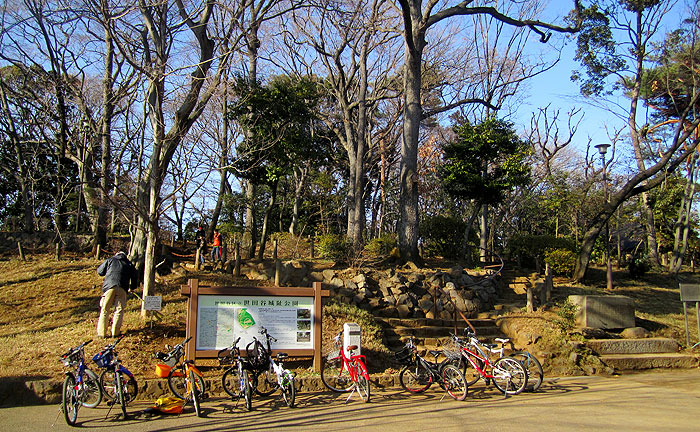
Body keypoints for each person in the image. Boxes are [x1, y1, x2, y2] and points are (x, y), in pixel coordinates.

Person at [96, 251, 138, 338]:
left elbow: (100, 271)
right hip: (122, 288)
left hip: (109, 287)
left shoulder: (110, 260)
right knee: (119, 310)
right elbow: (135, 277)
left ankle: (101, 333)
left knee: (105, 309)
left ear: (116, 254)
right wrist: (132, 287)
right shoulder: (129, 264)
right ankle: (115, 332)